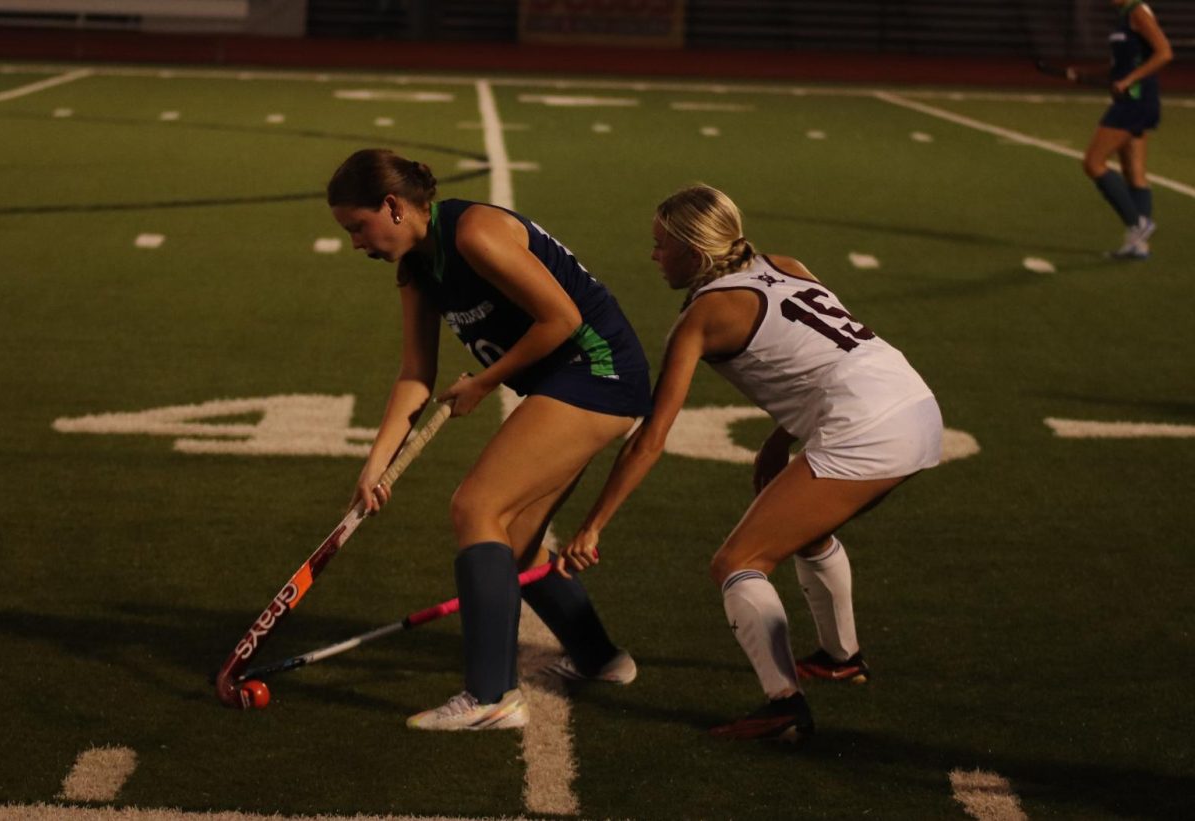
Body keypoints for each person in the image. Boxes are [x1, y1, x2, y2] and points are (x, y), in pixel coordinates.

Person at [557, 185, 942, 742]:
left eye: (662, 245)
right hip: (914, 403)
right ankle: (840, 657)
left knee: (739, 561)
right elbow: (831, 355)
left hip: (868, 427)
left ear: (695, 250)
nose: (654, 255)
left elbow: (651, 438)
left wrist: (593, 526)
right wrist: (778, 438)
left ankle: (783, 706)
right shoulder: (785, 265)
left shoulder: (702, 317)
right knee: (807, 532)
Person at [327, 149, 652, 731]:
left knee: (476, 506)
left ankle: (490, 696)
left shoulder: (474, 232)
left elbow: (562, 319)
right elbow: (414, 376)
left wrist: (484, 382)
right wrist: (376, 464)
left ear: (394, 206)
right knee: (519, 538)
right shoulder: (415, 271)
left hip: (598, 369)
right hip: (565, 379)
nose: (355, 242)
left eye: (358, 226)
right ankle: (600, 658)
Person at [1071, 0, 1172, 259]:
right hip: (1133, 100)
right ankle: (1138, 246)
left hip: (1137, 101)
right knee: (1134, 173)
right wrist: (1086, 72)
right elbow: (1123, 63)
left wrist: (1128, 80)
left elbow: (1164, 53)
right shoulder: (1124, 15)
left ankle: (1138, 224)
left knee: (1093, 163)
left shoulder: (1138, 11)